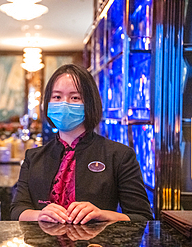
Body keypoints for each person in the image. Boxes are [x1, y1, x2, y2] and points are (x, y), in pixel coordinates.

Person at [10, 64, 153, 224]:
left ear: (89, 103)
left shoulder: (119, 155)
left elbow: (142, 218)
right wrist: (39, 215)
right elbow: (17, 210)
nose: (64, 103)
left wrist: (102, 214)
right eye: (57, 97)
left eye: (75, 98)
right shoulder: (33, 156)